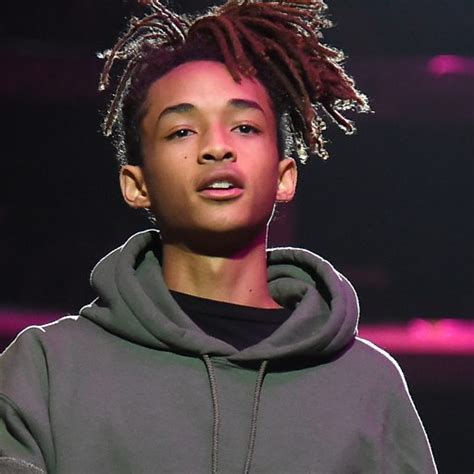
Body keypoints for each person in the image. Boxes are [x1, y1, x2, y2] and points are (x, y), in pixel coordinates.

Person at [0, 0, 437, 472]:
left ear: (284, 176)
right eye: (182, 131)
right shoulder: (46, 370)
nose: (216, 147)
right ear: (137, 185)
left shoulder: (367, 388)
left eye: (244, 127)